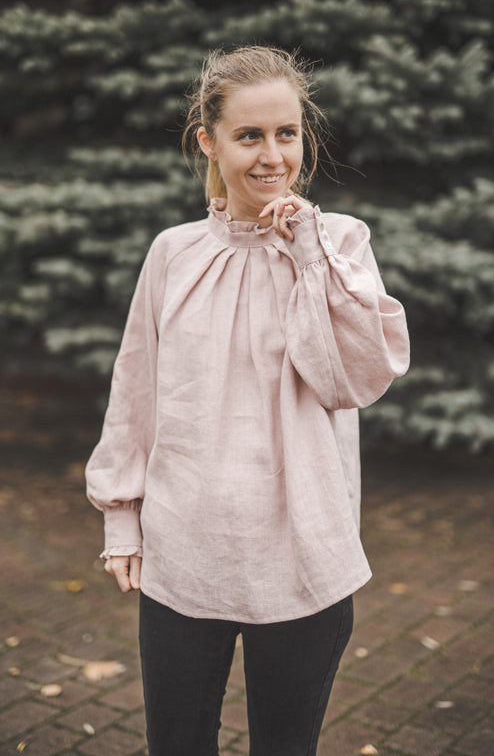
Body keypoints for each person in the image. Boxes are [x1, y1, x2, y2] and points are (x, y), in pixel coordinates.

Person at [86, 45, 410, 756]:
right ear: (208, 140)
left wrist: (305, 252)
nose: (272, 156)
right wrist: (121, 517)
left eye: (286, 133)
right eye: (250, 135)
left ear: (304, 138)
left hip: (303, 557)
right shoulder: (172, 253)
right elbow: (134, 388)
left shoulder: (340, 243)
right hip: (186, 555)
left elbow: (349, 378)